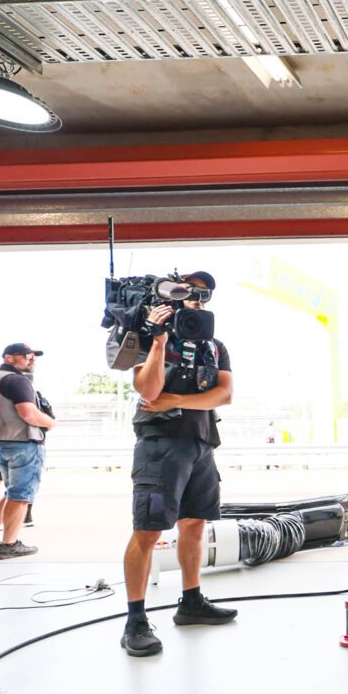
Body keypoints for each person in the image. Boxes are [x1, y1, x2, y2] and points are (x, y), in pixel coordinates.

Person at [120, 273, 238, 656]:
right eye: (189, 297)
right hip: (160, 446)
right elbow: (149, 392)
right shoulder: (149, 338)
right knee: (148, 532)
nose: (197, 305)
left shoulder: (214, 345)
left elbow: (225, 394)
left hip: (201, 442)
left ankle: (191, 602)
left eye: (202, 299)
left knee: (194, 525)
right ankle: (135, 620)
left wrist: (178, 401)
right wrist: (157, 340)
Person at [0, 343, 56, 558]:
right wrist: (51, 423)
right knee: (20, 497)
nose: (32, 360)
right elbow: (29, 414)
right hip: (23, 443)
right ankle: (9, 544)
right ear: (9, 358)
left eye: (34, 357)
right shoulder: (17, 380)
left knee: (11, 494)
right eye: (27, 356)